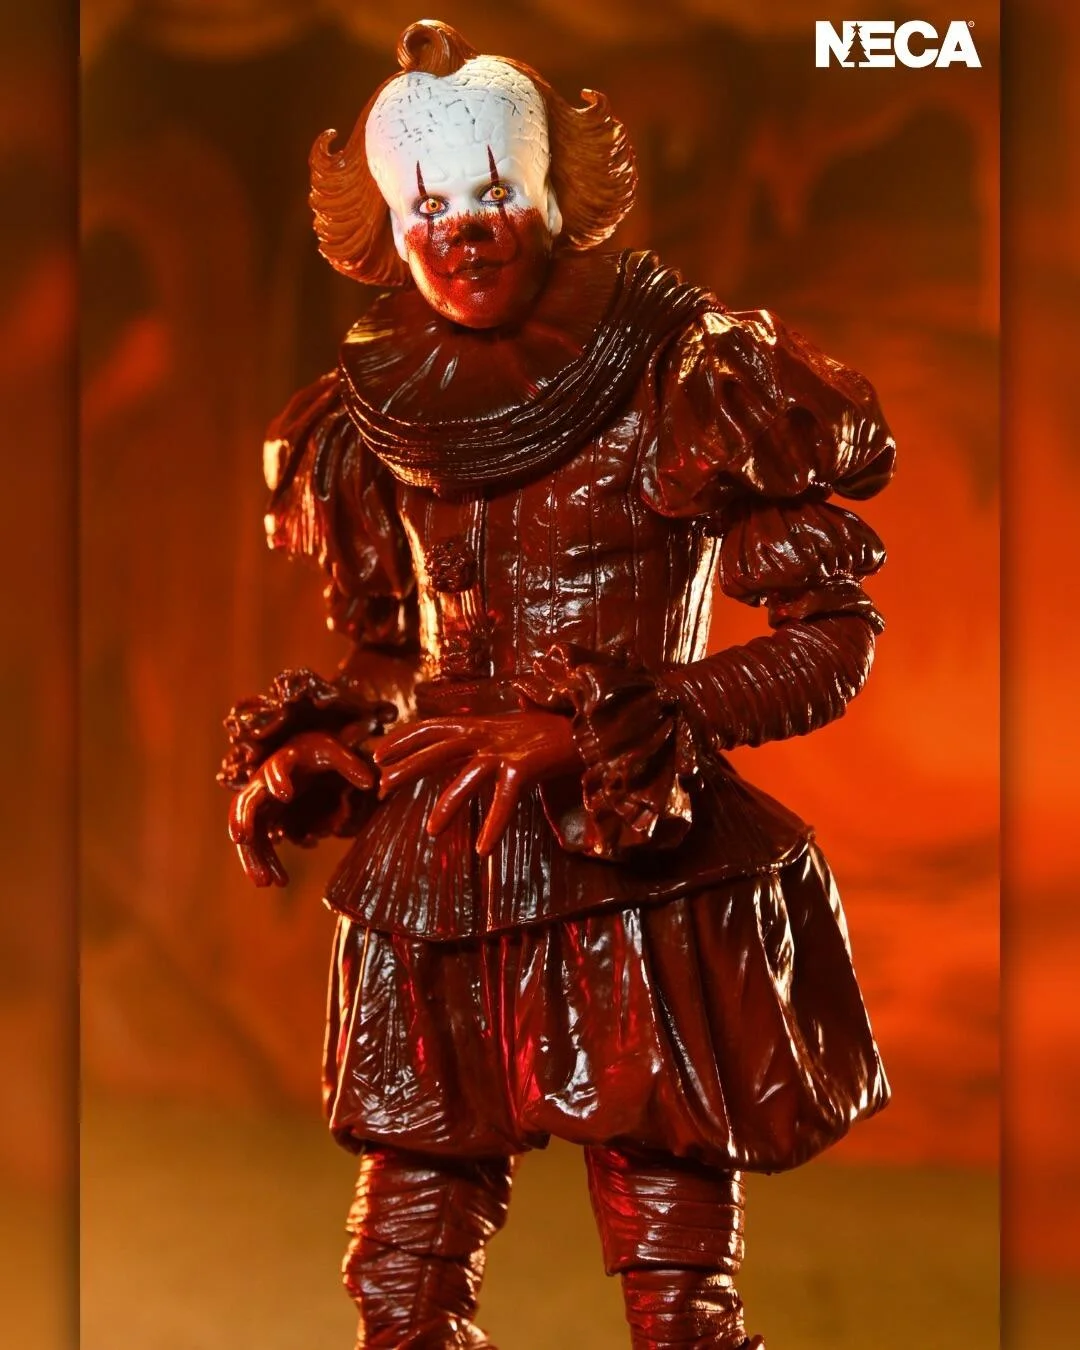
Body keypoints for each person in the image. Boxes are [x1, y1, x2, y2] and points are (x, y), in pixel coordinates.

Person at [221, 19, 894, 1350]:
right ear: (386, 224)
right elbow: (393, 654)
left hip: (638, 868)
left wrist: (627, 724)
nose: (463, 231)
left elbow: (831, 635)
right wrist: (327, 743)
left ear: (549, 190)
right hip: (439, 879)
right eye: (428, 206)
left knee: (677, 1301)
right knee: (399, 1291)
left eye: (492, 192)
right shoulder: (371, 412)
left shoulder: (689, 370)